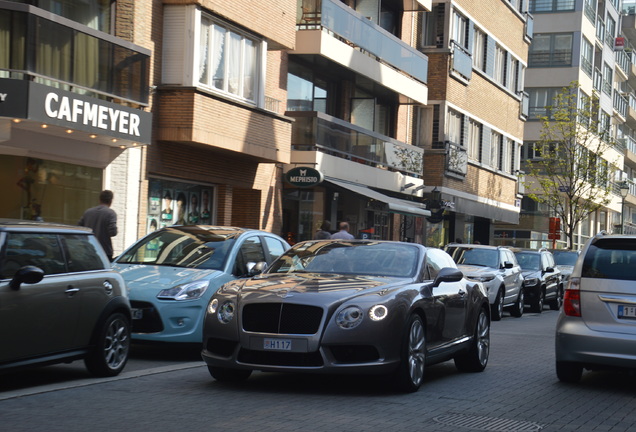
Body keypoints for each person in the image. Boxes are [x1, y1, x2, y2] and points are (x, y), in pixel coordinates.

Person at [78, 190, 118, 261]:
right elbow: (113, 232)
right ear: (111, 201)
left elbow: (79, 228)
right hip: (104, 250)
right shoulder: (111, 213)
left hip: (88, 249)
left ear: (99, 200)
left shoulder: (88, 212)